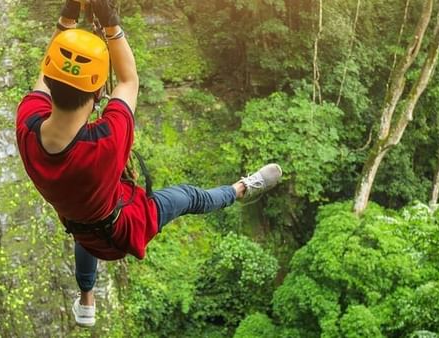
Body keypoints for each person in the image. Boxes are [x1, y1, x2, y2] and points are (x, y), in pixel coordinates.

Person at [15, 0, 282, 327]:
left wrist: (69, 16)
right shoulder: (106, 141)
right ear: (99, 91)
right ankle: (241, 189)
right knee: (188, 197)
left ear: (50, 82)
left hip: (80, 221)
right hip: (124, 226)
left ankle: (86, 300)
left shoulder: (26, 125)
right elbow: (128, 80)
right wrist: (109, 21)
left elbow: (54, 72)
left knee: (84, 236)